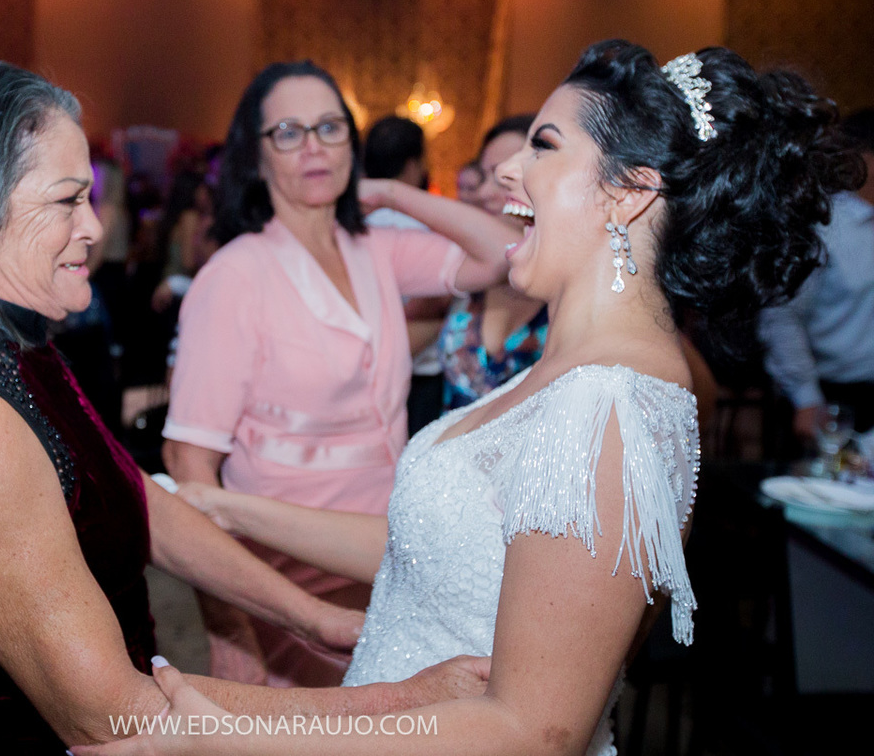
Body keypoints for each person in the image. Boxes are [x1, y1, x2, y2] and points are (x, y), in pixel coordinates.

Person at [76, 39, 860, 756]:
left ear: (627, 193)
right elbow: (441, 548)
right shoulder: (568, 373)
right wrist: (227, 510)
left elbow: (532, 730)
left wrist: (247, 735)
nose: (506, 172)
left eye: (543, 146)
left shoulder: (609, 407)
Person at [0, 58, 488, 752]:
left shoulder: (17, 352)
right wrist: (397, 704)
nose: (94, 227)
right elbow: (114, 716)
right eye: (67, 201)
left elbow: (143, 505)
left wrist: (310, 618)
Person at [161, 61, 519, 688]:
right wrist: (230, 622)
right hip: (282, 574)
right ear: (257, 156)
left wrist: (391, 194)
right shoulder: (235, 277)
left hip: (386, 555)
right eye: (289, 132)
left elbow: (505, 253)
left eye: (330, 128)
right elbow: (188, 463)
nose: (314, 147)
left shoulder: (375, 248)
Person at [759, 107, 874, 437]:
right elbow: (782, 315)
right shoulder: (823, 224)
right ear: (864, 159)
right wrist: (806, 398)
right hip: (837, 394)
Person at [436, 115, 548, 410]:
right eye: (484, 176)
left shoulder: (569, 288)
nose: (484, 193)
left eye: (503, 176)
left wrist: (390, 195)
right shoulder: (468, 267)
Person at [362, 115, 450, 434]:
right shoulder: (428, 226)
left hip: (363, 374)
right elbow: (436, 300)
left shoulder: (350, 227)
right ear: (413, 164)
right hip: (419, 375)